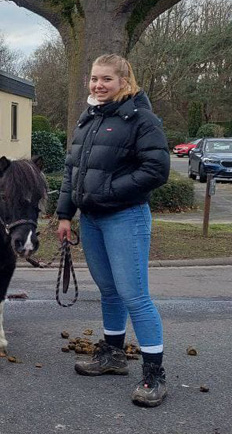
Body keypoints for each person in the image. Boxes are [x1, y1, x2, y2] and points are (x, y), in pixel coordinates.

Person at [56, 54, 171, 408]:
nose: (98, 85)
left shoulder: (142, 120)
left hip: (125, 218)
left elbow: (157, 170)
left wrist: (108, 191)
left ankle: (154, 373)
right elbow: (71, 170)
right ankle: (113, 355)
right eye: (93, 78)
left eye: (106, 79)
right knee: (109, 291)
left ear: (124, 80)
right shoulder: (89, 118)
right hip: (91, 219)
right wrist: (65, 214)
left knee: (134, 295)